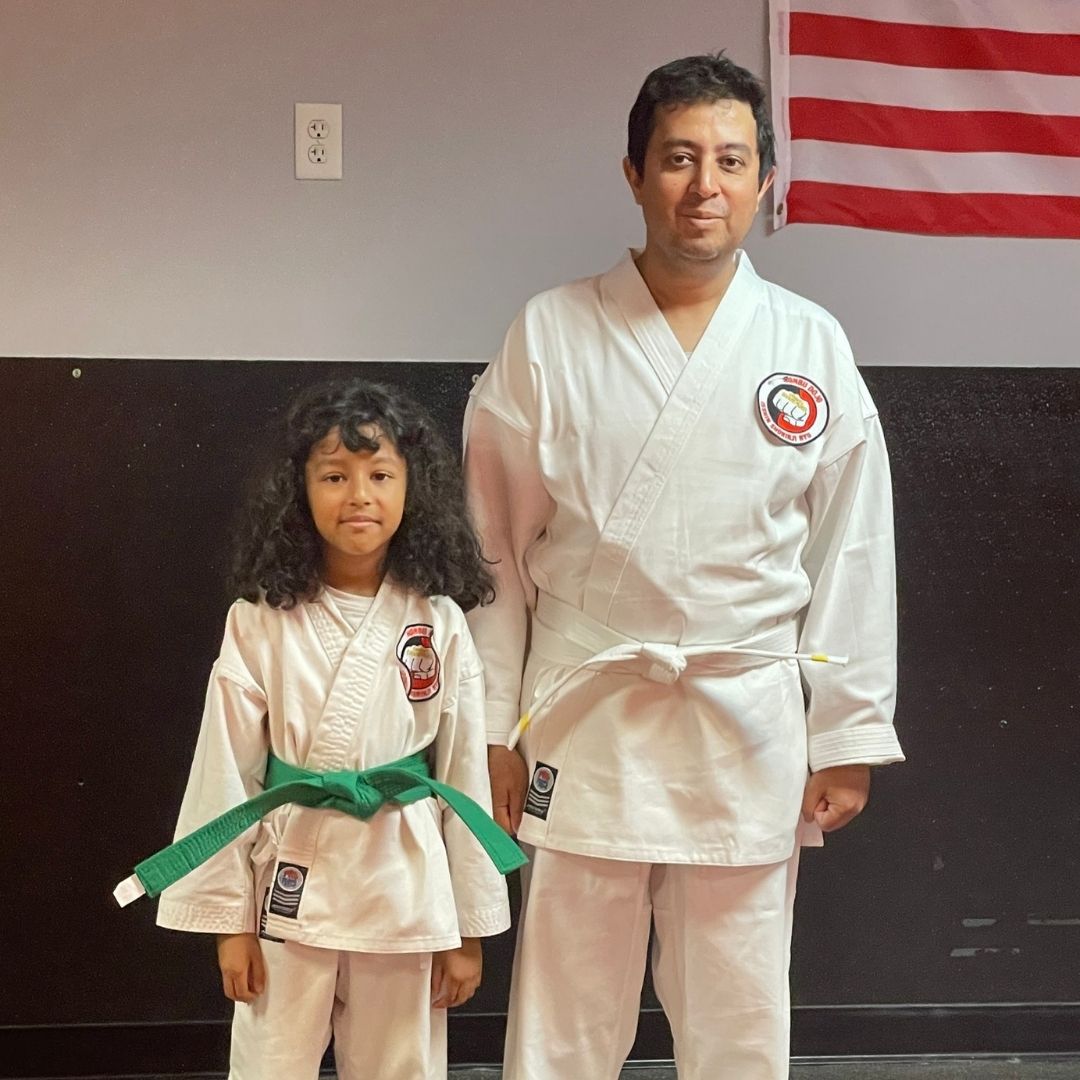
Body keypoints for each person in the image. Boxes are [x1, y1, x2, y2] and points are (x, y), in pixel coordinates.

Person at [463, 53, 904, 1080]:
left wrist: (845, 730)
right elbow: (493, 549)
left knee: (738, 1022)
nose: (706, 185)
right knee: (565, 1023)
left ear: (764, 181)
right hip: (585, 716)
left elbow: (853, 550)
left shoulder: (809, 343)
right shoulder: (550, 332)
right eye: (678, 158)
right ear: (634, 173)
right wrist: (487, 728)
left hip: (743, 721)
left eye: (731, 160)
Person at [114, 378, 525, 1080]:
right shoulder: (259, 620)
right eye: (334, 476)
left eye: (380, 475)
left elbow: (463, 778)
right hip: (291, 876)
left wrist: (469, 930)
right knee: (271, 1064)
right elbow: (225, 770)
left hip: (405, 880)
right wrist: (230, 924)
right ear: (298, 491)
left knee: (401, 1066)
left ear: (413, 489)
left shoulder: (440, 622)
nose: (358, 495)